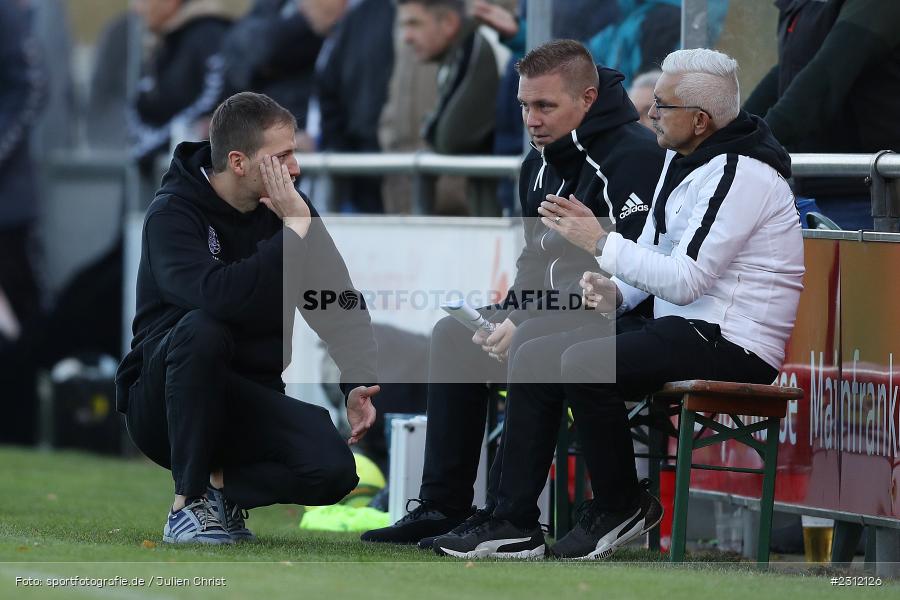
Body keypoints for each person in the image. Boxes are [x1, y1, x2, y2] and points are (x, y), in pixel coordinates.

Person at [429, 48, 805, 559]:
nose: (649, 112)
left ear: (700, 120)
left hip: (732, 340)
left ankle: (620, 503)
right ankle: (510, 520)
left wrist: (598, 242)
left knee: (583, 363)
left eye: (662, 106)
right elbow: (653, 258)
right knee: (537, 348)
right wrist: (615, 293)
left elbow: (689, 280)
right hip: (682, 326)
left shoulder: (741, 173)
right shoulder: (684, 158)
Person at [360, 39, 666, 547]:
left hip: (620, 321)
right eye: (525, 105)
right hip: (555, 314)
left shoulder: (632, 157)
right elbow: (532, 268)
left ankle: (513, 519)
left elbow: (629, 282)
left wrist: (521, 321)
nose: (531, 119)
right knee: (454, 335)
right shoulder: (539, 161)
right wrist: (509, 314)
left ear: (587, 99)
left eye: (545, 106)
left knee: (529, 343)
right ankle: (442, 505)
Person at [115, 92, 380, 544]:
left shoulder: (291, 211)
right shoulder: (173, 213)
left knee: (334, 471)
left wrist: (357, 380)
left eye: (294, 153)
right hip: (164, 405)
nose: (295, 168)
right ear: (238, 162)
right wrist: (293, 233)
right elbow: (219, 298)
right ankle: (187, 503)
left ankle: (222, 490)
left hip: (246, 399)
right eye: (282, 157)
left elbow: (338, 302)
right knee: (203, 327)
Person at [744, 0, 900, 230]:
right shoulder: (802, 5)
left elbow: (824, 77)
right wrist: (730, 131)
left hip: (867, 198)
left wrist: (746, 142)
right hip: (811, 191)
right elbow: (789, 73)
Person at [127, 0, 232, 174]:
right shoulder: (162, 43)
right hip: (160, 174)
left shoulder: (209, 34)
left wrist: (157, 146)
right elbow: (143, 105)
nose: (137, 8)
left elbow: (216, 100)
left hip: (197, 179)